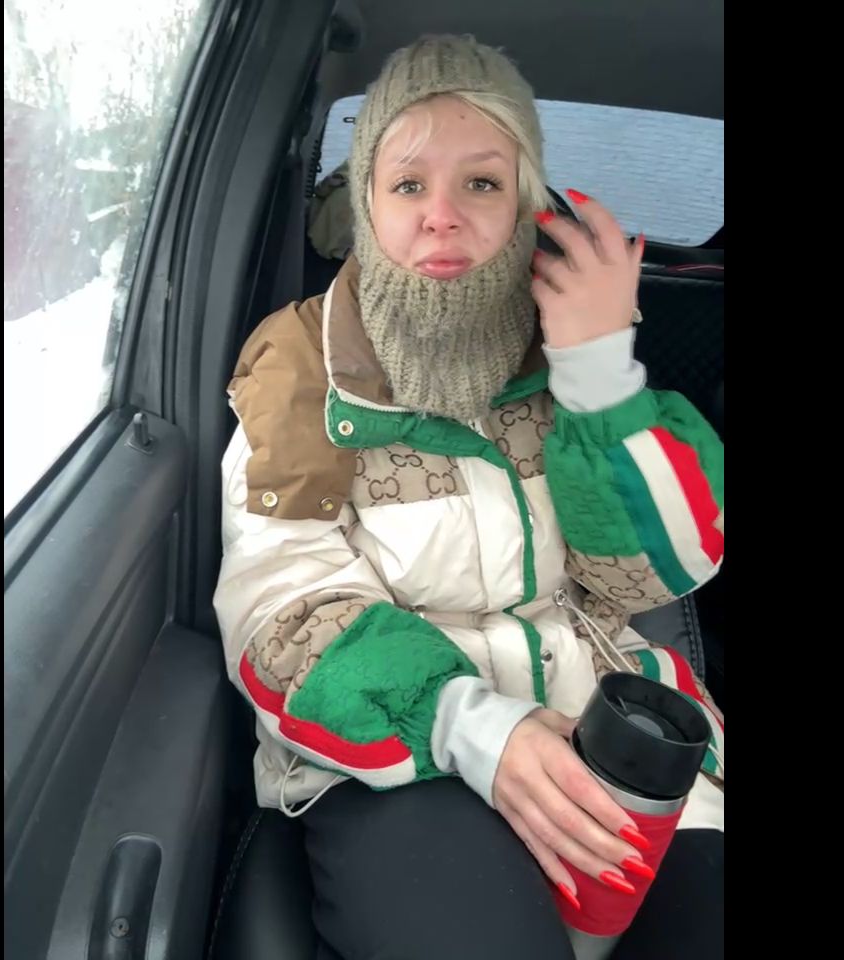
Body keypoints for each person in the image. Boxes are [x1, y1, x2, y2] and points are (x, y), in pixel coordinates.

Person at [214, 34, 724, 960]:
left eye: (483, 183)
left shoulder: (575, 352)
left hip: (607, 718)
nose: (442, 217)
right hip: (400, 755)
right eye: (408, 184)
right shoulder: (299, 372)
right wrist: (474, 725)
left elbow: (654, 577)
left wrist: (600, 375)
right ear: (367, 205)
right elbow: (282, 613)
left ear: (530, 205)